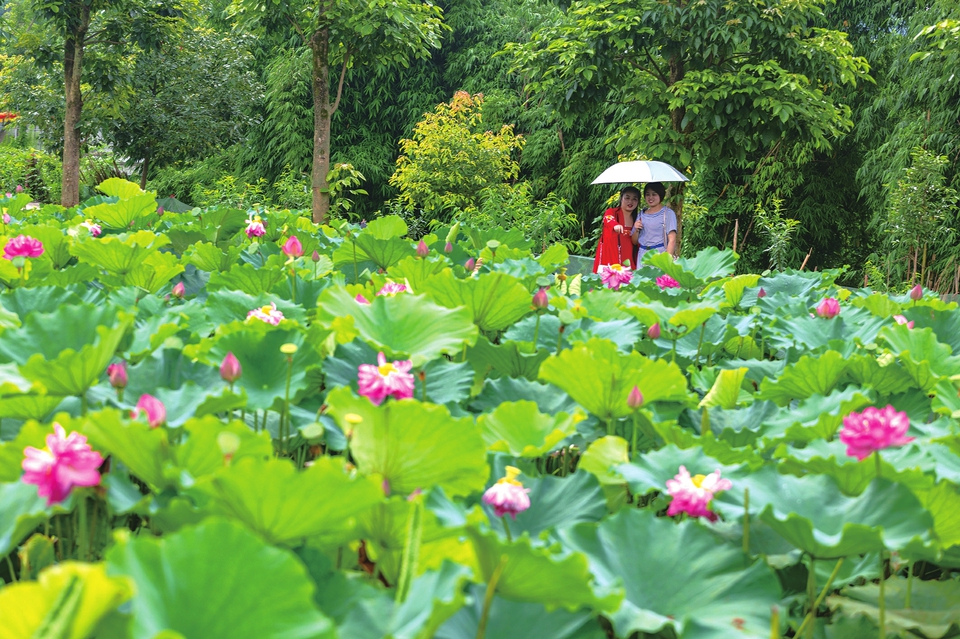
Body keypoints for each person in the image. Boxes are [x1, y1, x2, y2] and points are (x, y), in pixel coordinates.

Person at [593, 186, 639, 273]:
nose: (630, 201)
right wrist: (615, 225)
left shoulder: (638, 218)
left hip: (630, 258)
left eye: (634, 199)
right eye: (627, 198)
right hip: (612, 257)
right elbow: (608, 218)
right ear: (621, 198)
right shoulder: (612, 212)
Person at [631, 182, 677, 262]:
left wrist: (667, 263)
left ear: (661, 195)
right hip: (642, 256)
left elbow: (672, 240)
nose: (650, 197)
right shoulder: (641, 214)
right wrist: (636, 229)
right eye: (648, 194)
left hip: (660, 255)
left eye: (654, 194)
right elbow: (634, 241)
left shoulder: (668, 213)